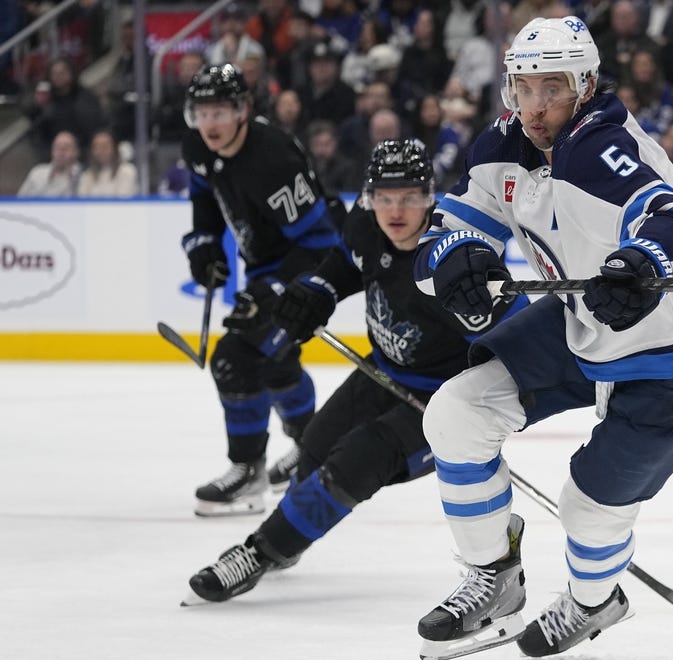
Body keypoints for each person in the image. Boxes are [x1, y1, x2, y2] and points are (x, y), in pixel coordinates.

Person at [411, 16, 673, 660]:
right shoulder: (501, 147)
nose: (535, 107)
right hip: (587, 317)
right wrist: (452, 255)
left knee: (589, 508)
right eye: (524, 88)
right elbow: (449, 229)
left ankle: (595, 602)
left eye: (552, 90)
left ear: (586, 84)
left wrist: (642, 262)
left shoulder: (603, 149)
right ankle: (494, 575)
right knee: (456, 413)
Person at [186, 139, 527, 602]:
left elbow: (513, 342)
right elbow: (341, 267)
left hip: (444, 401)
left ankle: (260, 552)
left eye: (409, 196)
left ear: (431, 196)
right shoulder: (365, 225)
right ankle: (287, 542)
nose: (395, 210)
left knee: (358, 458)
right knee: (315, 447)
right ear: (369, 198)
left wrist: (481, 405)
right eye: (384, 197)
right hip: (383, 371)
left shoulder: (455, 257)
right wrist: (314, 293)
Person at [179, 63, 345, 517]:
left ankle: (248, 472)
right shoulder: (196, 144)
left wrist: (273, 289)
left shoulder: (272, 158)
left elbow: (322, 242)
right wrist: (205, 244)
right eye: (202, 113)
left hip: (307, 264)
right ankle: (313, 450)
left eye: (221, 111)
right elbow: (203, 194)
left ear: (243, 110)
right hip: (265, 265)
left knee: (235, 359)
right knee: (275, 362)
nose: (210, 123)